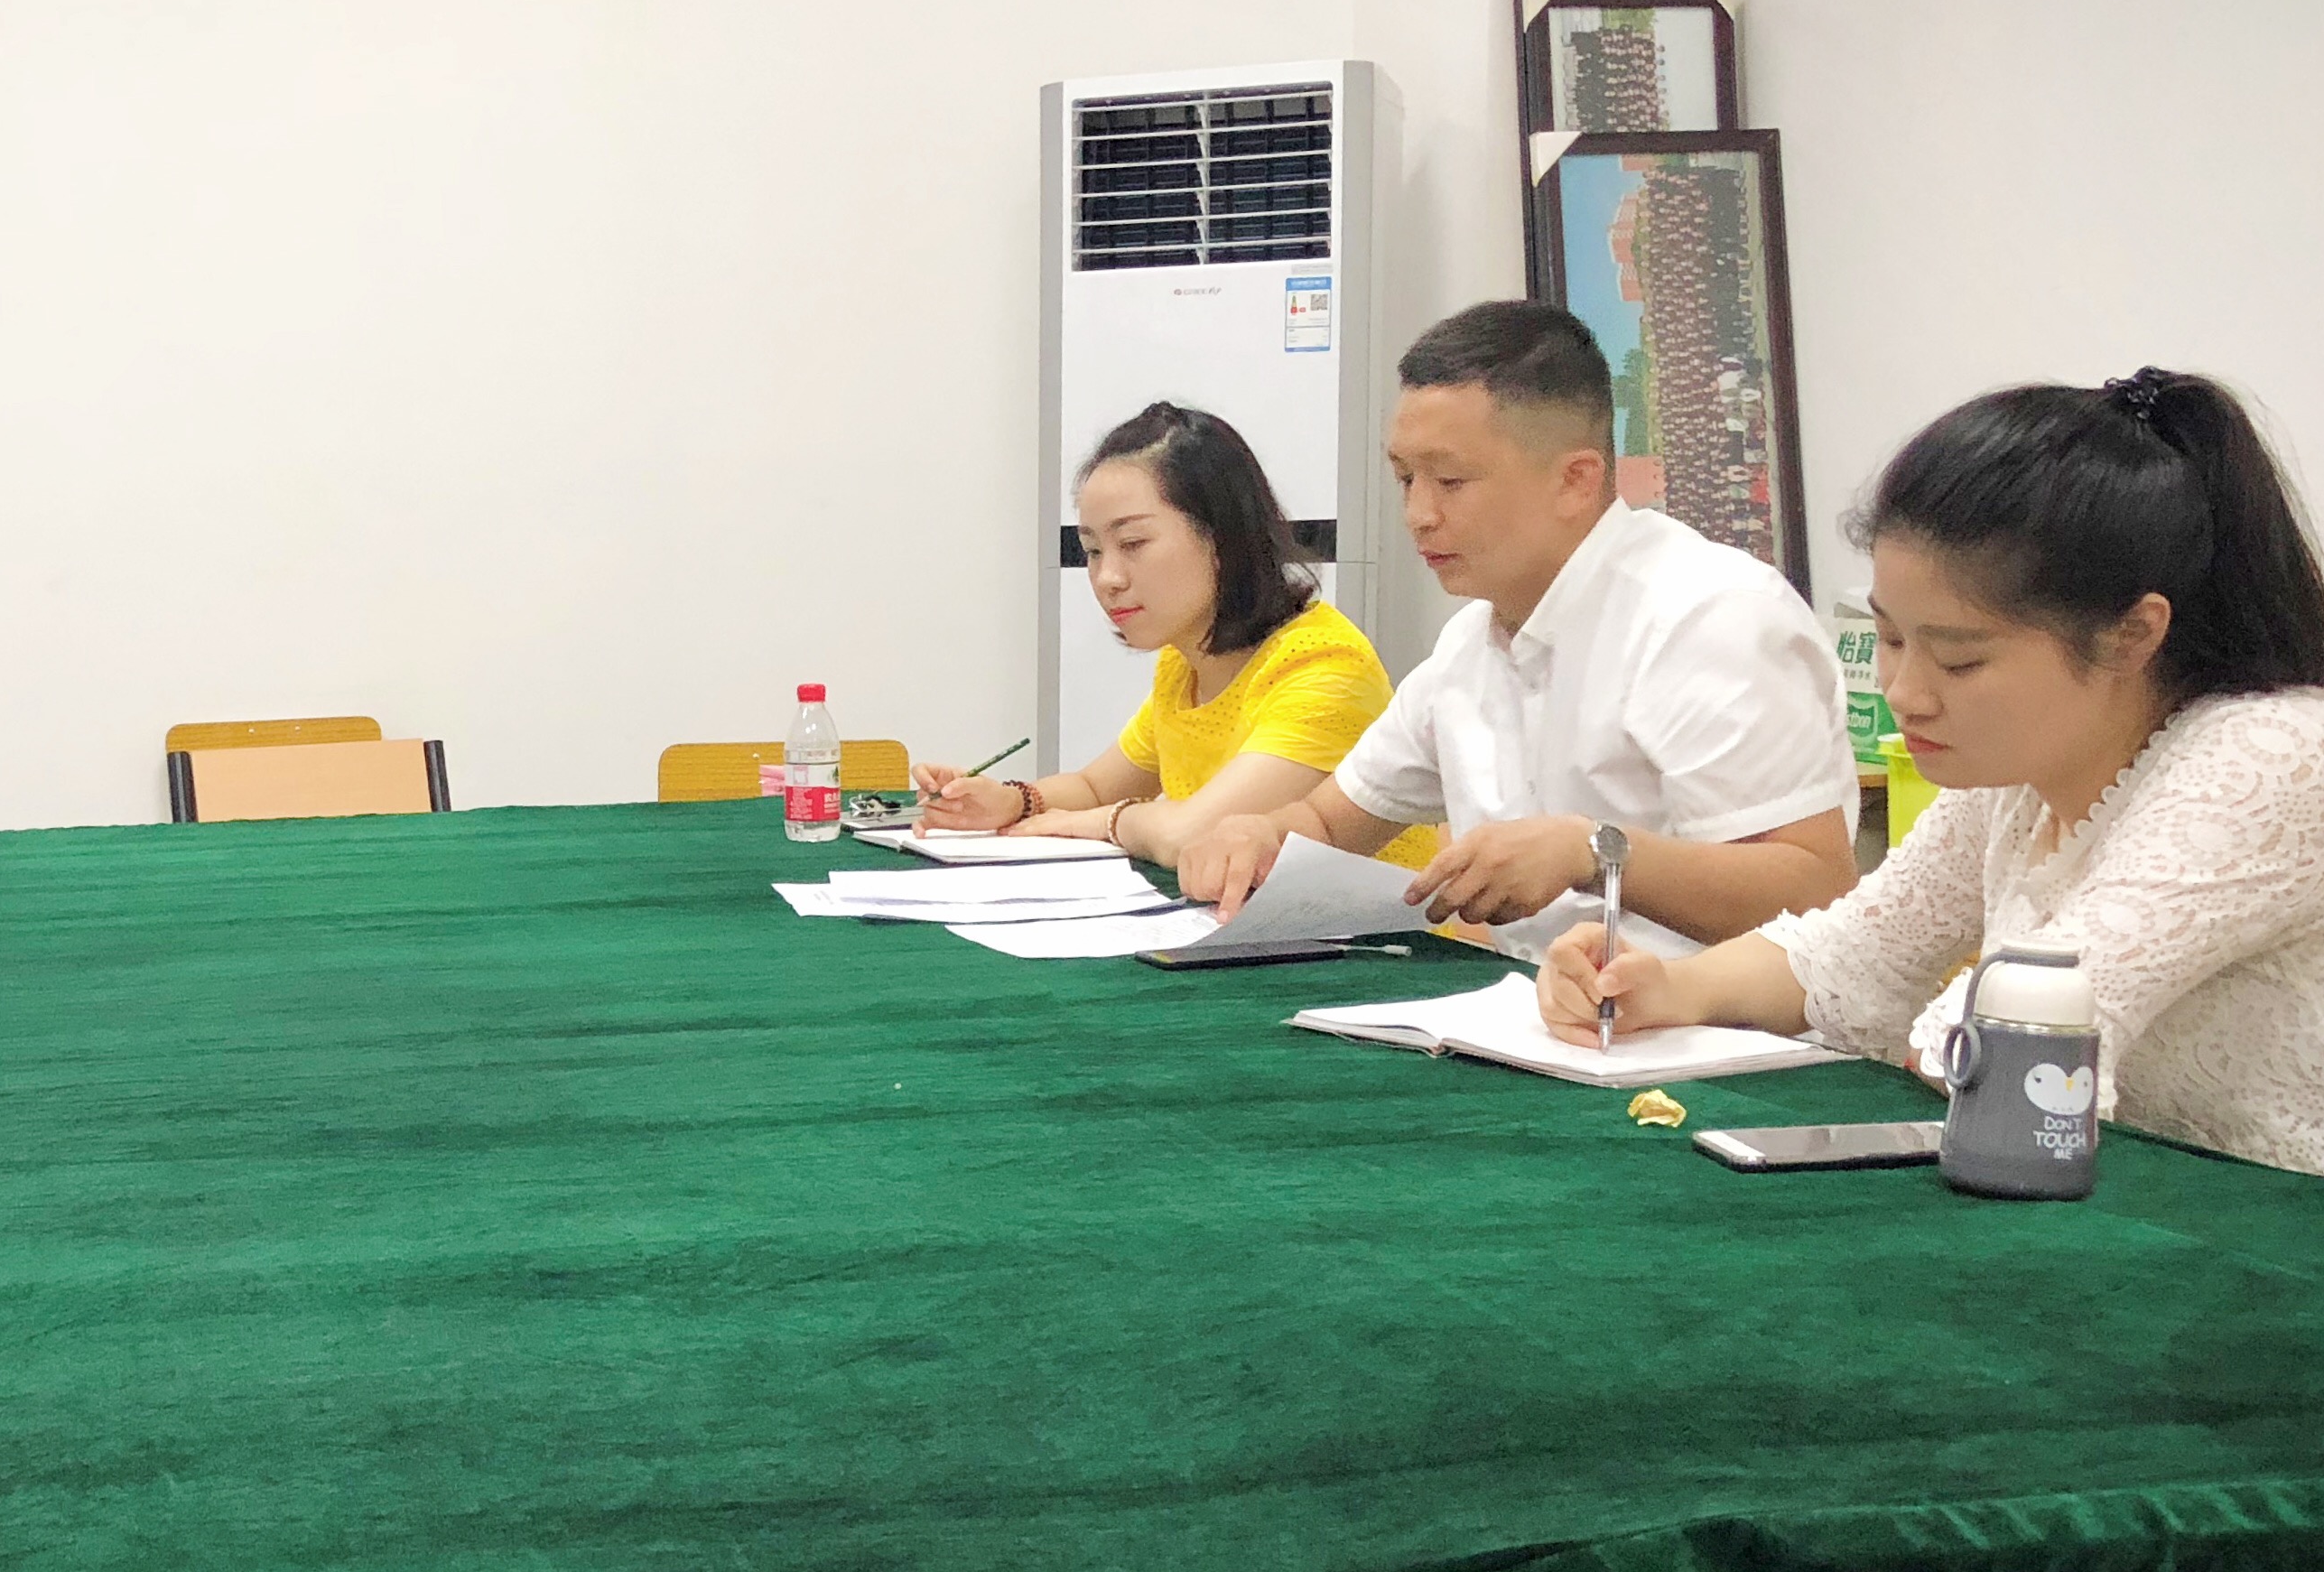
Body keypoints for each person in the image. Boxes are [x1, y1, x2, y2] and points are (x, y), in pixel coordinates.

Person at [1540, 369, 2324, 1177]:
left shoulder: (2272, 759)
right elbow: (1859, 950)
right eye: (1890, 639)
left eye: (1959, 659)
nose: (1905, 692)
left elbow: (2021, 1024)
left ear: (2132, 635)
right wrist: (1665, 988)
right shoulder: (2022, 768)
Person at [1179, 302, 1858, 953]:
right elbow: (1329, 821)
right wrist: (1259, 837)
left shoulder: (1708, 615)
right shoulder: (1470, 643)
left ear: (1576, 481)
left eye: (1449, 481)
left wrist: (1591, 853)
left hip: (1707, 1022)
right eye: (1406, 479)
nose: (1418, 514)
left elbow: (1814, 890)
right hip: (1532, 1009)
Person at [910, 401, 1435, 873]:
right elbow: (1095, 786)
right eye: (1093, 551)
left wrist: (1105, 822)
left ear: (1223, 537)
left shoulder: (1322, 665)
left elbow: (1193, 834)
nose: (1107, 578)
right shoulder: (1184, 662)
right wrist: (1011, 800)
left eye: (1133, 543)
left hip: (1380, 938)